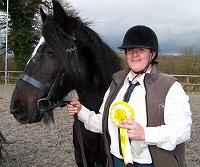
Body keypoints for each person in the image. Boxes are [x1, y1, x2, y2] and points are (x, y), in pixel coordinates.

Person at [66, 25, 192, 167]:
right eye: (130, 50)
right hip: (116, 162)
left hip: (150, 164)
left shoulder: (170, 86)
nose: (134, 54)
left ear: (152, 54)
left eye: (141, 50)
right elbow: (104, 123)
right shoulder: (116, 84)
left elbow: (182, 131)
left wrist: (144, 133)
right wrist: (81, 110)